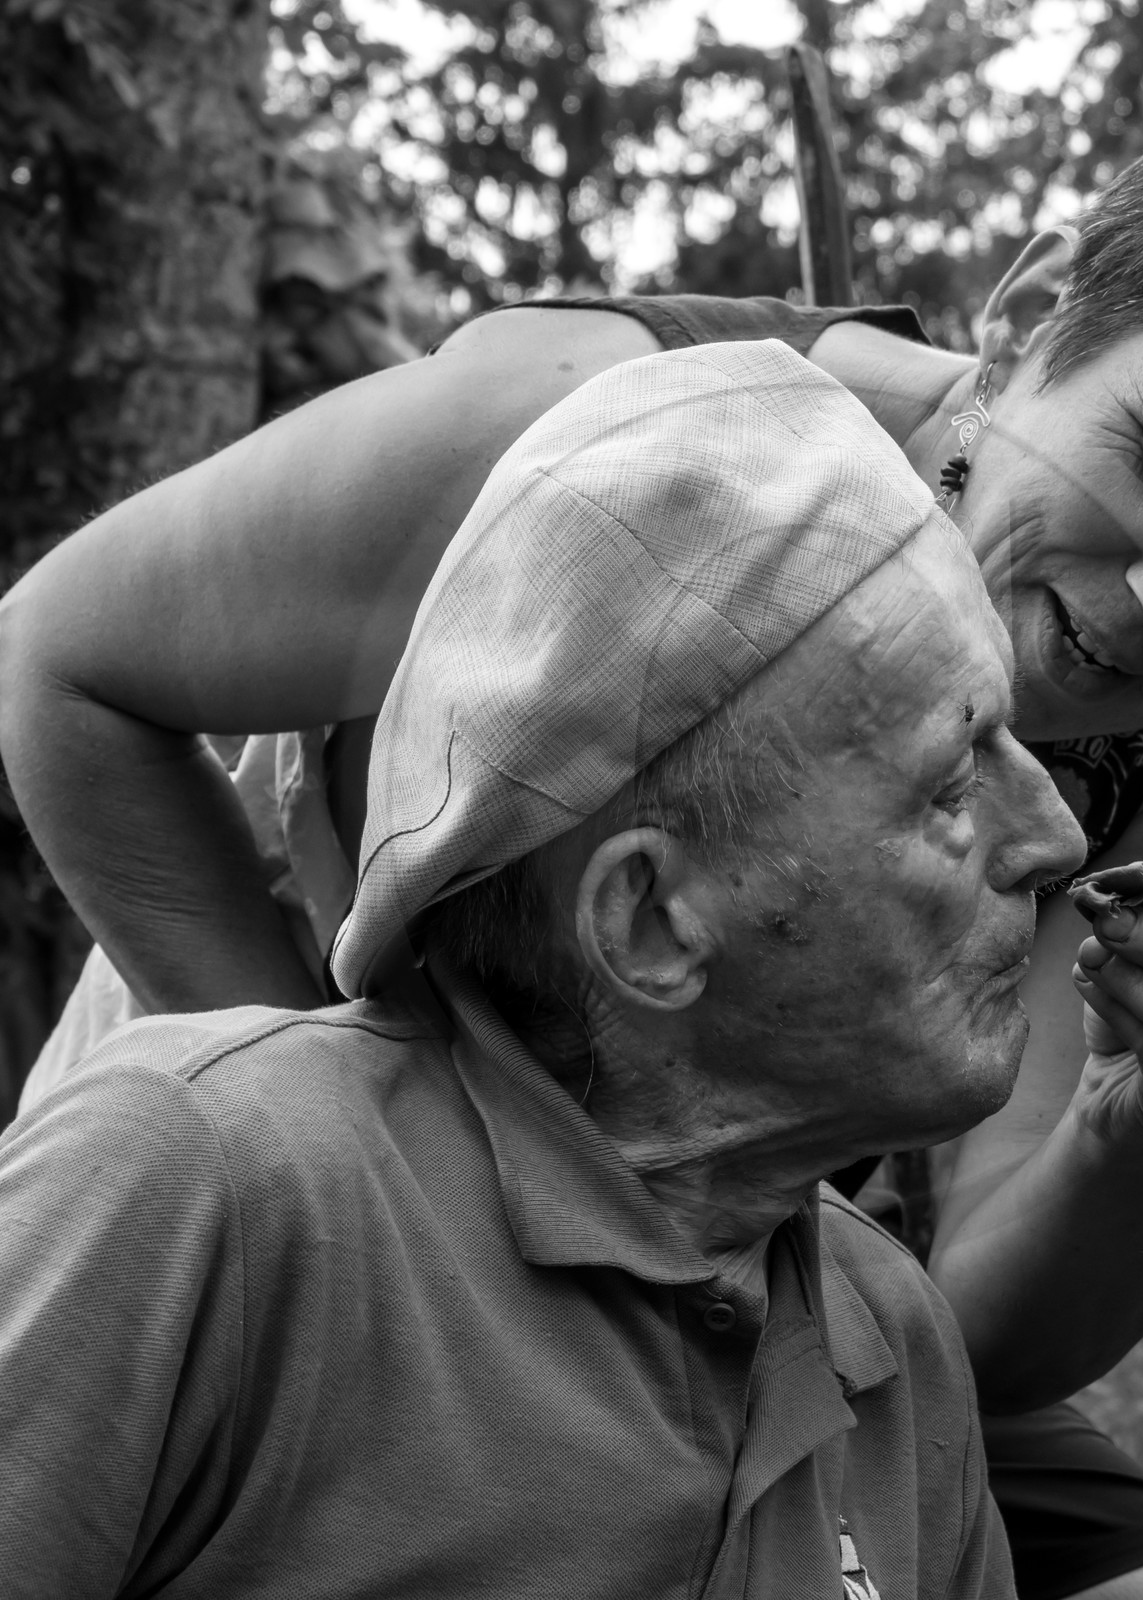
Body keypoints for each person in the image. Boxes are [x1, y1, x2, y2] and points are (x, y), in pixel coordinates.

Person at [0, 77, 1143, 1600]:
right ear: (1027, 320)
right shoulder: (598, 443)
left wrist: (1133, 1135)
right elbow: (61, 661)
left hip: (740, 1249)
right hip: (270, 1128)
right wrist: (345, 1161)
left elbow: (992, 1332)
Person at [0, 341, 1078, 1595]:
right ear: (650, 924)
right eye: (950, 784)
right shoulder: (201, 1188)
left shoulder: (891, 1338)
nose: (1053, 837)